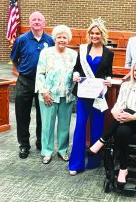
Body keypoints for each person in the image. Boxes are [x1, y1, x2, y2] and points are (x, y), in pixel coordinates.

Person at [90, 60, 136, 189]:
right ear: (132, 72)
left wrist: (132, 116)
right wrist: (116, 113)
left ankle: (103, 139)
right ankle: (123, 169)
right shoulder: (126, 86)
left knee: (127, 112)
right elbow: (118, 105)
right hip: (125, 121)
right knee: (122, 130)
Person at [68, 18, 114, 175]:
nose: (95, 36)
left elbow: (109, 73)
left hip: (99, 96)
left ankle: (94, 161)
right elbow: (76, 68)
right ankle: (76, 163)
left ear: (102, 35)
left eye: (98, 33)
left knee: (97, 127)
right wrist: (75, 75)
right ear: (89, 34)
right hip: (84, 95)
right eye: (92, 33)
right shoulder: (82, 49)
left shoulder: (109, 53)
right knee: (80, 127)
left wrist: (108, 80)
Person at [11, 11, 54, 159]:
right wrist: (21, 74)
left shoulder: (50, 40)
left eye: (39, 19)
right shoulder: (21, 39)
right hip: (25, 81)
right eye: (33, 19)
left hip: (43, 83)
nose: (36, 21)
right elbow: (14, 60)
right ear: (29, 23)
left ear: (44, 23)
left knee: (43, 114)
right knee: (22, 114)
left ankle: (41, 142)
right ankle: (24, 144)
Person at [35, 25, 77, 164]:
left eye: (64, 37)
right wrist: (44, 92)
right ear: (55, 38)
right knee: (47, 125)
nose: (62, 39)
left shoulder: (73, 54)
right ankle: (46, 152)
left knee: (64, 125)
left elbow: (76, 74)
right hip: (48, 96)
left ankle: (62, 150)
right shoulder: (46, 53)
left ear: (68, 39)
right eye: (59, 37)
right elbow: (40, 73)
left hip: (67, 95)